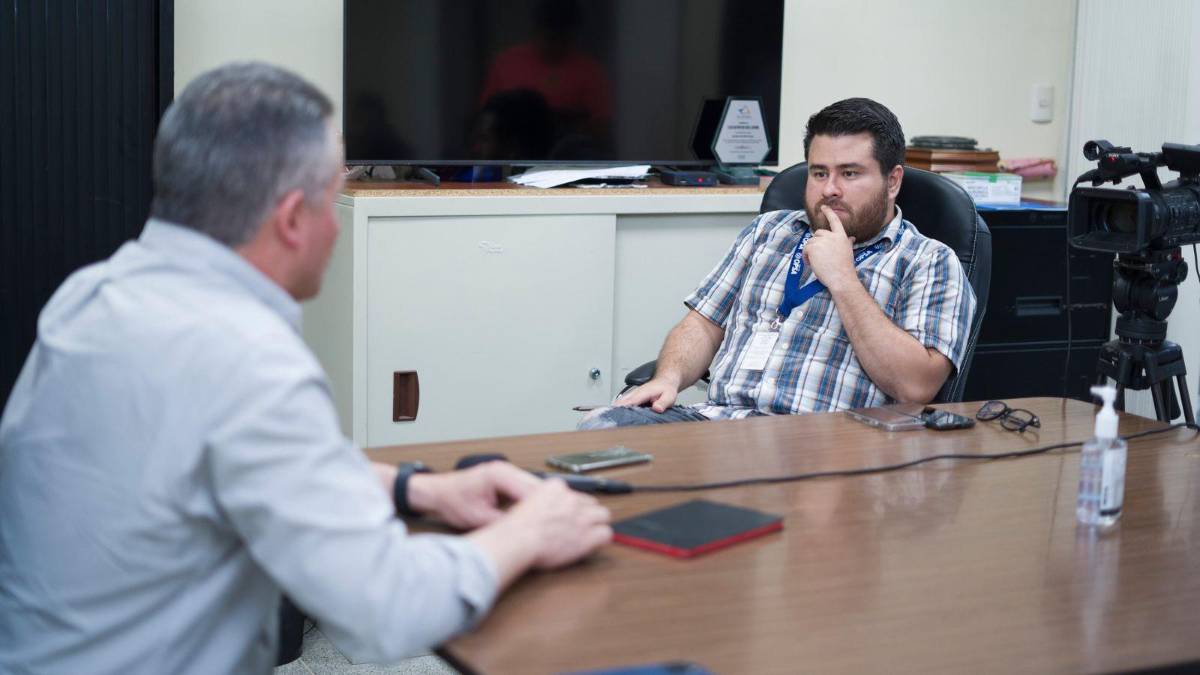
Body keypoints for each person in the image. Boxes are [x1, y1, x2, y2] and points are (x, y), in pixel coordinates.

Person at [0, 62, 611, 674]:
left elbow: (233, 464)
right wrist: (530, 532)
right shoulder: (247, 358)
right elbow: (386, 608)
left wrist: (415, 488)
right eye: (333, 194)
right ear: (293, 219)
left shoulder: (90, 299)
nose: (338, 222)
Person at [580, 98, 976, 429]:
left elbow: (916, 386)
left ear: (892, 181)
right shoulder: (769, 231)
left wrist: (843, 280)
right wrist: (667, 377)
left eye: (850, 173)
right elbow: (703, 322)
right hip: (716, 424)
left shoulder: (929, 261)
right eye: (819, 172)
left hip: (824, 442)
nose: (830, 189)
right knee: (601, 432)